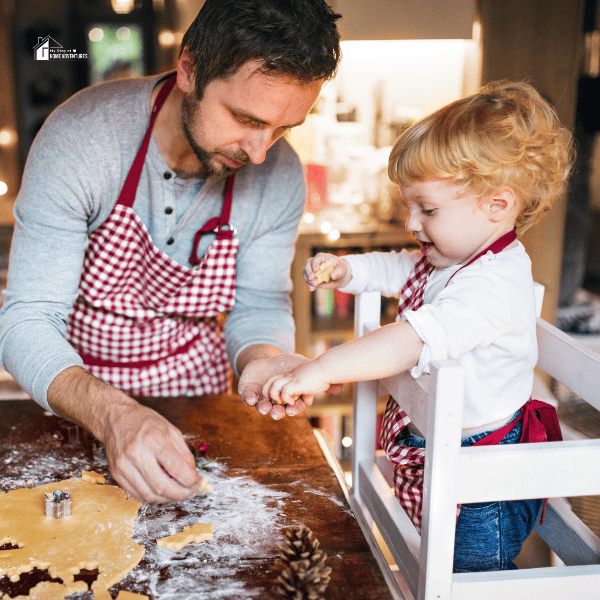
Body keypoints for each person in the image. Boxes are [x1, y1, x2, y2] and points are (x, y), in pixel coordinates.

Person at [0, 0, 341, 503]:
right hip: (79, 399)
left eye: (283, 128)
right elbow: (27, 320)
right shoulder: (82, 140)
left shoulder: (279, 174)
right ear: (189, 69)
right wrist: (114, 415)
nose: (260, 152)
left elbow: (258, 304)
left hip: (199, 400)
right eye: (245, 118)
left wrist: (263, 360)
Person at [263, 81, 574, 572]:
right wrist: (350, 271)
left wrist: (322, 369)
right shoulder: (455, 256)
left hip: (482, 481)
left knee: (469, 576)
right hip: (443, 450)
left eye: (427, 209)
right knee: (431, 560)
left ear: (497, 204)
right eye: (410, 206)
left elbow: (410, 340)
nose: (412, 221)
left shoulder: (493, 284)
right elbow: (401, 269)